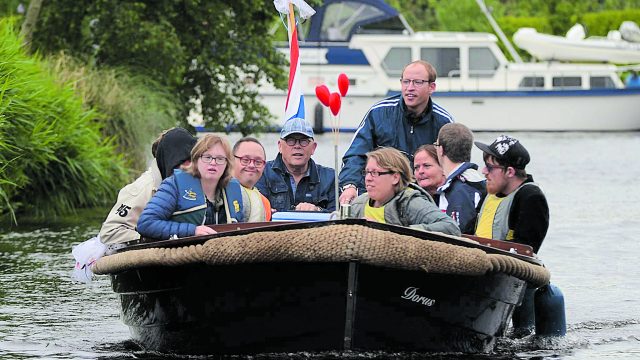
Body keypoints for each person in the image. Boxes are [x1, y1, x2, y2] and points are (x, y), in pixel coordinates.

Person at [339, 60, 454, 204]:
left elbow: (454, 169)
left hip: (424, 201)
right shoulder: (378, 113)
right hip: (379, 199)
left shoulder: (445, 123)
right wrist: (350, 186)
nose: (409, 88)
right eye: (406, 82)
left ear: (431, 87)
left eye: (417, 82)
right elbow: (355, 156)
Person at [98, 127, 196, 245]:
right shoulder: (141, 189)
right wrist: (150, 237)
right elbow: (109, 232)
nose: (190, 166)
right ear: (171, 158)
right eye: (185, 160)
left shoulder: (196, 182)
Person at [137, 134, 245, 240]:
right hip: (179, 254)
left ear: (227, 164)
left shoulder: (234, 190)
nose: (213, 163)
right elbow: (146, 223)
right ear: (196, 160)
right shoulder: (174, 185)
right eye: (207, 157)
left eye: (220, 159)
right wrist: (192, 231)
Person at [350, 147, 461, 236]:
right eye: (367, 172)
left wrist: (396, 231)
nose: (368, 178)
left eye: (375, 173)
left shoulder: (410, 202)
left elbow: (451, 227)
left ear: (395, 177)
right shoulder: (358, 204)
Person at [474, 135, 548, 253]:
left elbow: (525, 249)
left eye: (490, 167)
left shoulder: (531, 197)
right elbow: (468, 232)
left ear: (510, 171)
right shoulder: (489, 193)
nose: (484, 171)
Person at [256, 118, 336, 212]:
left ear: (313, 148)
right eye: (290, 140)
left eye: (304, 141)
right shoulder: (262, 173)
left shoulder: (330, 178)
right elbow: (254, 212)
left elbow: (338, 218)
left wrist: (317, 210)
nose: (297, 146)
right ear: (280, 146)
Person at [435, 123, 487, 234]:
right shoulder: (476, 179)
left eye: (436, 145)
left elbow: (457, 233)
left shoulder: (459, 190)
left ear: (441, 150)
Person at [232, 137, 272, 222]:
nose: (251, 165)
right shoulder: (219, 193)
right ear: (231, 161)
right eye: (245, 160)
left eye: (258, 162)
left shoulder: (265, 203)